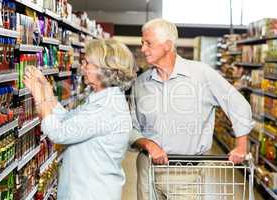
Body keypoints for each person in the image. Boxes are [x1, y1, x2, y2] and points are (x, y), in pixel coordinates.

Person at [129, 18, 255, 199]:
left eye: (148, 43)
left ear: (167, 45)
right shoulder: (141, 83)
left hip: (184, 174)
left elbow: (238, 103)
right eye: (142, 43)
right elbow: (132, 127)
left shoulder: (201, 75)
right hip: (146, 169)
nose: (142, 49)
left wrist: (241, 146)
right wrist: (148, 144)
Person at [23, 39, 137, 200]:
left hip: (91, 192)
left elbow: (59, 133)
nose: (82, 67)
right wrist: (47, 90)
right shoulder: (100, 98)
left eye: (87, 63)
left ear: (105, 70)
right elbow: (67, 120)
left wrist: (38, 95)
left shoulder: (106, 109)